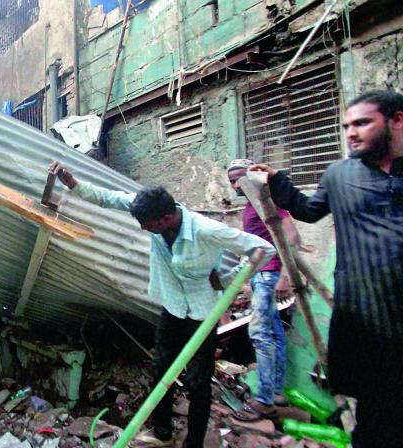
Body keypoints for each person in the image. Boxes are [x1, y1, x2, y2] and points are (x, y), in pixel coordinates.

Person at [50, 162, 275, 448]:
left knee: (198, 382)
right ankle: (162, 432)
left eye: (147, 225)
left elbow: (264, 249)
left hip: (203, 314)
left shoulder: (206, 229)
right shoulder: (150, 209)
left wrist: (228, 279)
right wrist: (72, 183)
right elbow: (107, 198)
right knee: (161, 369)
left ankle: (194, 442)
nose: (143, 228)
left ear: (166, 218)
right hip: (172, 307)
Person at [249, 90, 403, 447]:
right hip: (363, 319)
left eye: (363, 123)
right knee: (373, 418)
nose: (351, 132)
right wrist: (277, 182)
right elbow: (308, 210)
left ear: (396, 120)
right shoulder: (339, 175)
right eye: (347, 125)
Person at [226, 158, 302, 421]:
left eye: (238, 178)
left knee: (259, 334)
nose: (235, 184)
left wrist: (284, 276)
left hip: (270, 275)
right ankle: (276, 393)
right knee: (274, 332)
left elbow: (293, 237)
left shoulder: (265, 200)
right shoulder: (253, 203)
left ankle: (264, 401)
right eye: (231, 181)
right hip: (264, 274)